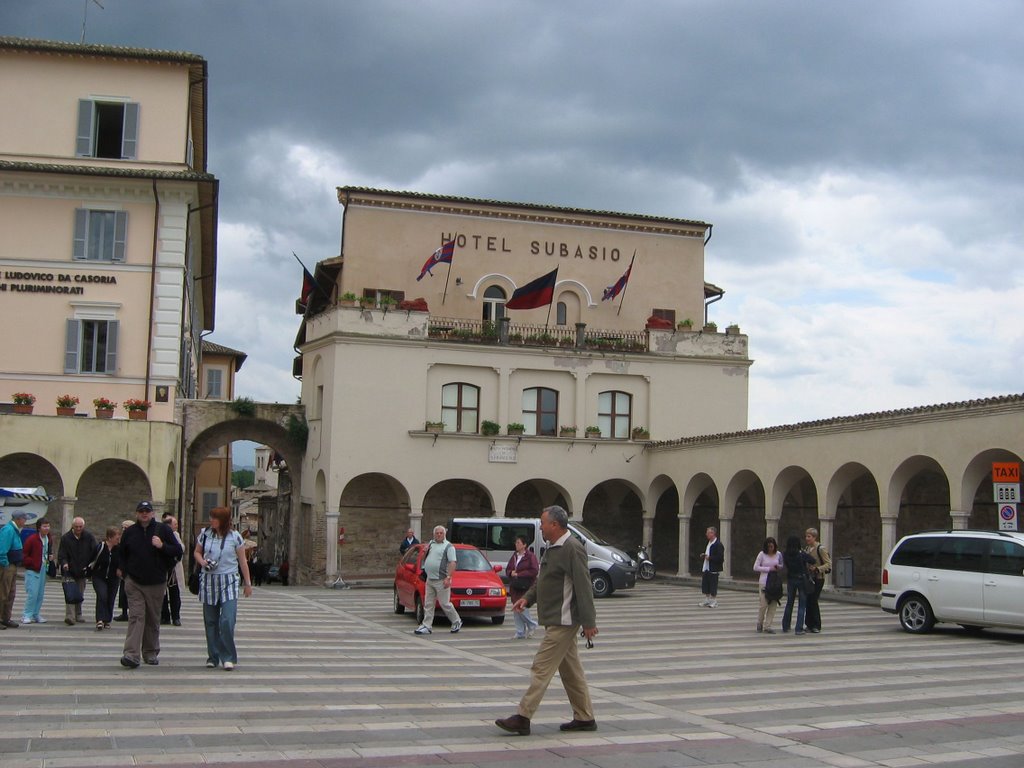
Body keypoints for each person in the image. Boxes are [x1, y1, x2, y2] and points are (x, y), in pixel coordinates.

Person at [117, 501, 182, 668]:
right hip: (134, 581)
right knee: (136, 616)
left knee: (153, 618)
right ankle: (131, 654)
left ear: (152, 513)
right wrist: (123, 571)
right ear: (137, 513)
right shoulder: (130, 532)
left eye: (147, 511)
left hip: (156, 582)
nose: (144, 514)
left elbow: (178, 551)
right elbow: (121, 553)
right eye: (141, 511)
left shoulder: (163, 530)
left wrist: (162, 546)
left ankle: (151, 651)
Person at [194, 507, 253, 670]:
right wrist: (202, 562)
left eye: (215, 518)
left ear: (224, 520)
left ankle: (228, 656)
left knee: (227, 620)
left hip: (229, 581)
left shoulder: (235, 537)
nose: (211, 520)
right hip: (209, 580)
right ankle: (213, 656)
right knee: (211, 621)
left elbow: (243, 562)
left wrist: (247, 584)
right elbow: (197, 552)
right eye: (211, 517)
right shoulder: (205, 535)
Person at [413, 525, 462, 635]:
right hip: (430, 579)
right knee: (428, 603)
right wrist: (425, 551)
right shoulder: (431, 544)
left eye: (441, 533)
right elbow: (426, 557)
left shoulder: (449, 547)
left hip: (442, 579)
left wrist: (448, 577)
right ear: (434, 534)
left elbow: (452, 562)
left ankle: (456, 621)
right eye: (437, 533)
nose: (439, 535)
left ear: (444, 535)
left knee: (445, 604)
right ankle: (426, 625)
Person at [58, 516, 98, 626]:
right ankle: (70, 616)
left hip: (82, 570)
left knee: (80, 593)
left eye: (80, 527)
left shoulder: (89, 537)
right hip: (69, 570)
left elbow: (94, 551)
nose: (78, 529)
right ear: (73, 526)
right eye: (76, 527)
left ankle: (78, 613)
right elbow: (62, 553)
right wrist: (64, 563)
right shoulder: (66, 538)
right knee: (70, 593)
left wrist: (90, 565)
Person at [505, 535, 539, 640]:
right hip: (515, 586)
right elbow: (508, 569)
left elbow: (534, 570)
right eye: (516, 543)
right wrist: (511, 573)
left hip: (525, 586)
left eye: (519, 543)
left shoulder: (530, 556)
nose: (516, 545)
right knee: (516, 609)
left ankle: (532, 624)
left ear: (524, 545)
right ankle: (520, 631)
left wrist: (519, 574)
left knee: (521, 607)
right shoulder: (514, 556)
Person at [781, 534, 816, 635]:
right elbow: (812, 560)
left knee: (789, 603)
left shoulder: (785, 554)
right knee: (802, 604)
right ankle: (798, 628)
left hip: (791, 579)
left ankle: (785, 626)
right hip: (801, 579)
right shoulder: (801, 554)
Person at [0, 510, 29, 629]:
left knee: (10, 593)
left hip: (13, 565)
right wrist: (5, 564)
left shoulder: (14, 530)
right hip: (7, 566)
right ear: (18, 519)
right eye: (24, 519)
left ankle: (6, 618)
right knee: (3, 592)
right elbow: (2, 549)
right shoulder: (8, 530)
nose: (25, 521)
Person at [21, 518, 53, 624]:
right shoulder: (32, 539)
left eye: (48, 526)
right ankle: (26, 614)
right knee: (32, 593)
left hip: (44, 567)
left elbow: (49, 551)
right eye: (44, 526)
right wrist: (32, 562)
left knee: (40, 593)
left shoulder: (48, 538)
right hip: (33, 569)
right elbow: (24, 555)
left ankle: (35, 614)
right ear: (39, 528)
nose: (47, 528)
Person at [92, 526, 122, 630]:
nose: (118, 539)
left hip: (113, 578)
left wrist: (120, 568)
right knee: (102, 595)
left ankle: (107, 620)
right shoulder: (100, 547)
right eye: (116, 537)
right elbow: (92, 559)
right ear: (110, 538)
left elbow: (123, 561)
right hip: (99, 576)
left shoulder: (119, 549)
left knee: (111, 598)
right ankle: (99, 619)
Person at [803, 527, 832, 634]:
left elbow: (828, 563)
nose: (807, 538)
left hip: (818, 578)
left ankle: (816, 625)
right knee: (808, 601)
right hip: (809, 578)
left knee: (813, 600)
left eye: (809, 536)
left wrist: (817, 569)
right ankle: (809, 624)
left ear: (814, 537)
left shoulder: (820, 549)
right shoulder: (807, 549)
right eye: (806, 536)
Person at [753, 536, 784, 633]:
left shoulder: (778, 554)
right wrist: (768, 569)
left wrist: (778, 567)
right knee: (763, 604)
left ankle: (768, 625)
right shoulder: (762, 554)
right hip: (764, 580)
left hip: (775, 581)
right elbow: (755, 567)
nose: (771, 548)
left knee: (773, 604)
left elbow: (781, 565)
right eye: (769, 547)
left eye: (772, 546)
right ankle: (760, 622)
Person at [160, 513, 185, 626]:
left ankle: (176, 617)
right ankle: (165, 616)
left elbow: (181, 548)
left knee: (175, 594)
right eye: (174, 524)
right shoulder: (160, 534)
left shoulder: (176, 535)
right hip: (163, 568)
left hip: (173, 569)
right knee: (162, 595)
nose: (176, 526)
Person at [699, 526, 725, 607]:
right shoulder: (709, 543)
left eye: (708, 533)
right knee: (706, 584)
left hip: (714, 568)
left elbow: (720, 558)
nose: (706, 534)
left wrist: (710, 558)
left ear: (712, 533)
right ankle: (707, 599)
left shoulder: (718, 544)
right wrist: (704, 555)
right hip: (706, 567)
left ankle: (714, 600)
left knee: (713, 584)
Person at [113, 519, 134, 621]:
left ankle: (132, 612)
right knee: (123, 592)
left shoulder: (134, 538)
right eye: (123, 527)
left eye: (126, 527)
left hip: (133, 570)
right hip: (124, 570)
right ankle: (124, 612)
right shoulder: (121, 539)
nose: (123, 529)